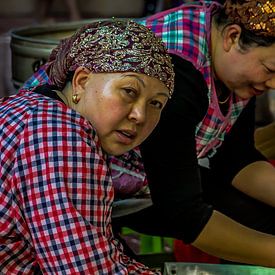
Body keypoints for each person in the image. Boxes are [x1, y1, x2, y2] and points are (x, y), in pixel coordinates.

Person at [20, 0, 275, 268]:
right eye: (269, 69)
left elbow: (234, 157)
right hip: (106, 186)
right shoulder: (57, 147)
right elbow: (182, 212)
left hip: (132, 177)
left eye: (155, 104)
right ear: (233, 37)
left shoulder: (233, 69)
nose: (272, 84)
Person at [0, 20, 174, 274]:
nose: (140, 115)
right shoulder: (59, 135)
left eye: (156, 104)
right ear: (81, 81)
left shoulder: (27, 108)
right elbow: (84, 270)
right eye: (129, 90)